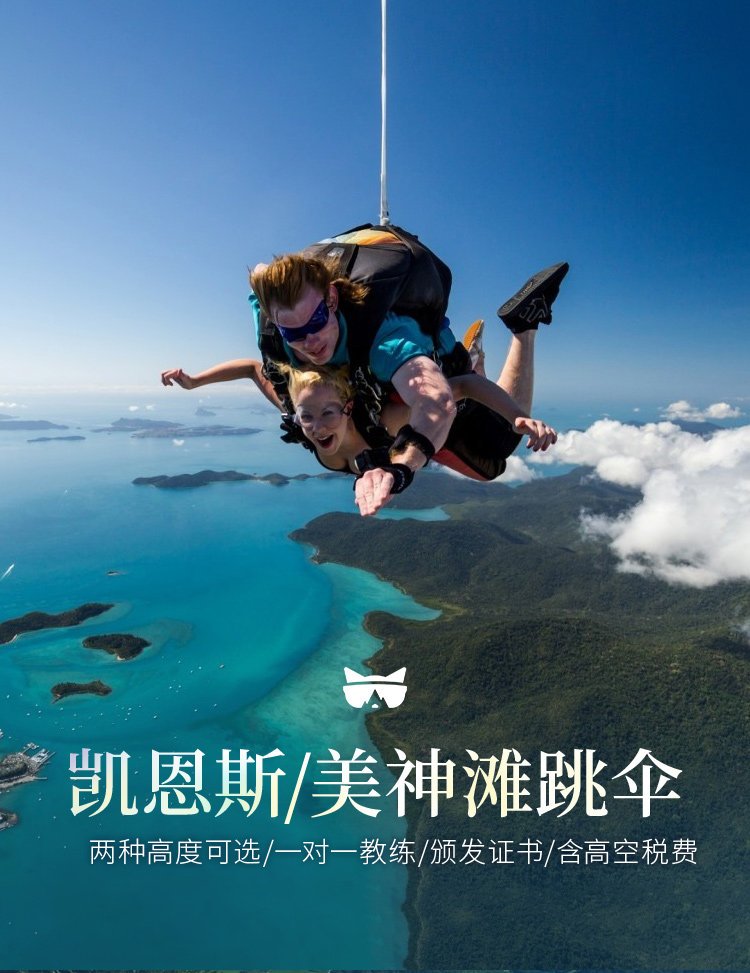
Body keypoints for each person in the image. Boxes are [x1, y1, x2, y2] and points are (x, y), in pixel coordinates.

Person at [161, 325, 558, 515]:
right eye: (307, 417)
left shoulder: (383, 420)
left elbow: (463, 388)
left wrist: (519, 418)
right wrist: (194, 383)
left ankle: (473, 353)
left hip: (433, 412)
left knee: (493, 461)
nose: (316, 427)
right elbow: (252, 368)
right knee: (487, 458)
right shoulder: (297, 409)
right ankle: (474, 355)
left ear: (348, 408)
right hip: (414, 428)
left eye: (327, 414)